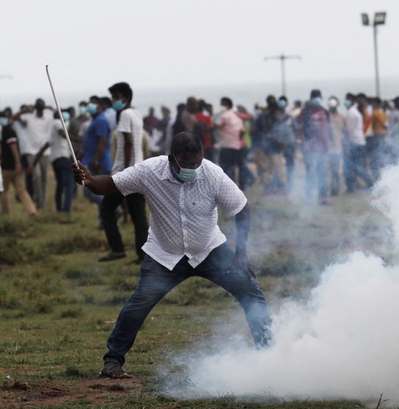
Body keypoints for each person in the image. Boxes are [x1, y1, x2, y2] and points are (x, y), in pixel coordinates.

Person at [73, 131, 272, 379]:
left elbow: (242, 209)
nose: (194, 169)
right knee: (138, 306)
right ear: (171, 159)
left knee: (251, 292)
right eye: (188, 165)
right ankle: (113, 361)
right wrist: (90, 180)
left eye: (197, 163)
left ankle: (269, 356)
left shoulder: (213, 175)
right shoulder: (149, 171)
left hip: (209, 250)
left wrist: (241, 254)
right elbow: (111, 184)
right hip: (164, 255)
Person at [100, 82, 149, 263]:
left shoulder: (124, 115)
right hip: (139, 170)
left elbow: (128, 142)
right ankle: (143, 255)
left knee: (106, 209)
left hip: (125, 172)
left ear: (125, 99)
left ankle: (117, 249)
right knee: (139, 215)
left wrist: (126, 171)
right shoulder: (136, 114)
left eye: (115, 97)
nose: (113, 101)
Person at [29, 111, 74, 213]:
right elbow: (62, 134)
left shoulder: (51, 132)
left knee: (60, 184)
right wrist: (79, 139)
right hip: (63, 157)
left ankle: (59, 208)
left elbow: (44, 148)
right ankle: (66, 209)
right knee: (69, 184)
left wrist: (34, 164)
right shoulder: (58, 123)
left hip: (55, 160)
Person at [14, 99, 54, 209]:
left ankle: (42, 203)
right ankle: (39, 202)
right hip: (31, 151)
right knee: (36, 177)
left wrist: (51, 108)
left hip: (45, 152)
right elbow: (14, 118)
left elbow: (59, 117)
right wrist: (23, 110)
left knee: (44, 179)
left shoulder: (49, 118)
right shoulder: (29, 117)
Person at [81, 97, 112, 226]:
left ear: (100, 106)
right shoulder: (95, 120)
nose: (90, 106)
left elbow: (102, 141)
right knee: (95, 191)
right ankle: (103, 220)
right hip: (92, 160)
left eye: (94, 104)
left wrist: (96, 159)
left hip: (98, 162)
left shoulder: (100, 121)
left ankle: (114, 209)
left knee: (89, 191)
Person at [0, 109, 37, 217]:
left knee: (3, 191)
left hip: (7, 167)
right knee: (21, 190)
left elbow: (14, 149)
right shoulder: (9, 131)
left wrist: (17, 162)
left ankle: (6, 213)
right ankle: (32, 211)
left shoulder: (7, 132)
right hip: (15, 168)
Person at [298, 89, 331, 204]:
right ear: (312, 98)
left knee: (322, 172)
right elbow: (300, 128)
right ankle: (309, 198)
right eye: (316, 96)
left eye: (319, 96)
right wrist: (304, 142)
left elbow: (327, 129)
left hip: (322, 147)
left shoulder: (324, 111)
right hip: (309, 147)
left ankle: (322, 198)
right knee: (310, 173)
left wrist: (327, 143)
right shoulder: (305, 112)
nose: (317, 98)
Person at [343, 93, 373, 193]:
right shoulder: (355, 111)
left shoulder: (351, 113)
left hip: (355, 142)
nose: (345, 101)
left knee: (356, 166)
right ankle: (367, 184)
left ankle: (370, 184)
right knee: (357, 165)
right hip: (359, 141)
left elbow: (349, 129)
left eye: (347, 99)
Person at [215, 97, 245, 185]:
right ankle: (241, 185)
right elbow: (242, 131)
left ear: (226, 104)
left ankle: (229, 185)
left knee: (226, 167)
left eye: (222, 104)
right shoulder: (237, 115)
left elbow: (217, 125)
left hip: (226, 145)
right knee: (237, 166)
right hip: (236, 146)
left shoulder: (224, 115)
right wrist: (237, 140)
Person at [327, 96, 346, 196]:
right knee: (330, 170)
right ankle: (331, 189)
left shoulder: (341, 117)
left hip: (338, 147)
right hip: (328, 148)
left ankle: (336, 189)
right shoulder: (325, 116)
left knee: (337, 171)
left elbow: (346, 131)